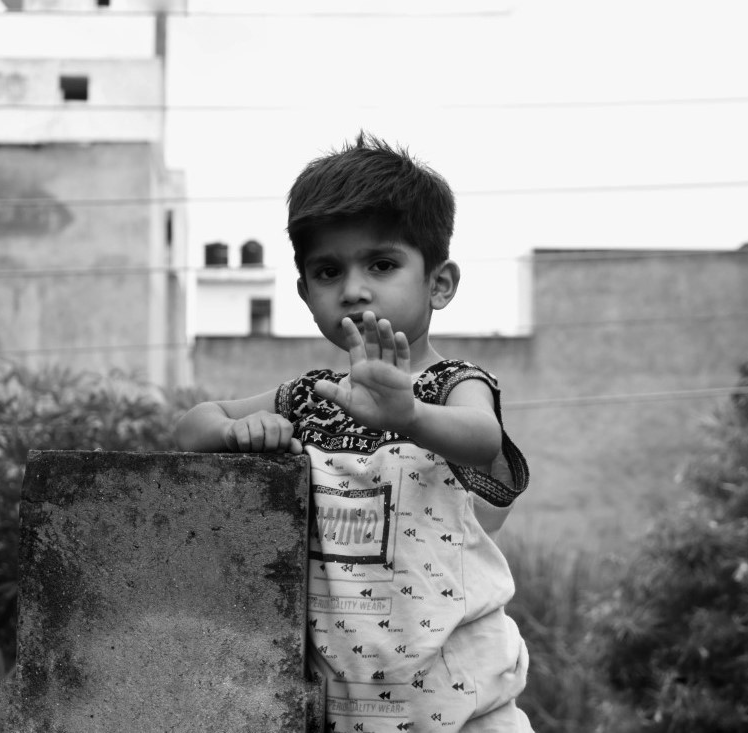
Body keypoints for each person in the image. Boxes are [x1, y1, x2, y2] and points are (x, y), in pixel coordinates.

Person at [176, 133, 532, 732]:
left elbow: (483, 438)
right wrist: (241, 431)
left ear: (439, 283)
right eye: (328, 271)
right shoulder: (313, 398)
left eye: (383, 265)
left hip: (469, 710)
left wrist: (409, 417)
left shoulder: (451, 385)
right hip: (344, 712)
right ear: (305, 293)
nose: (354, 288)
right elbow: (192, 427)